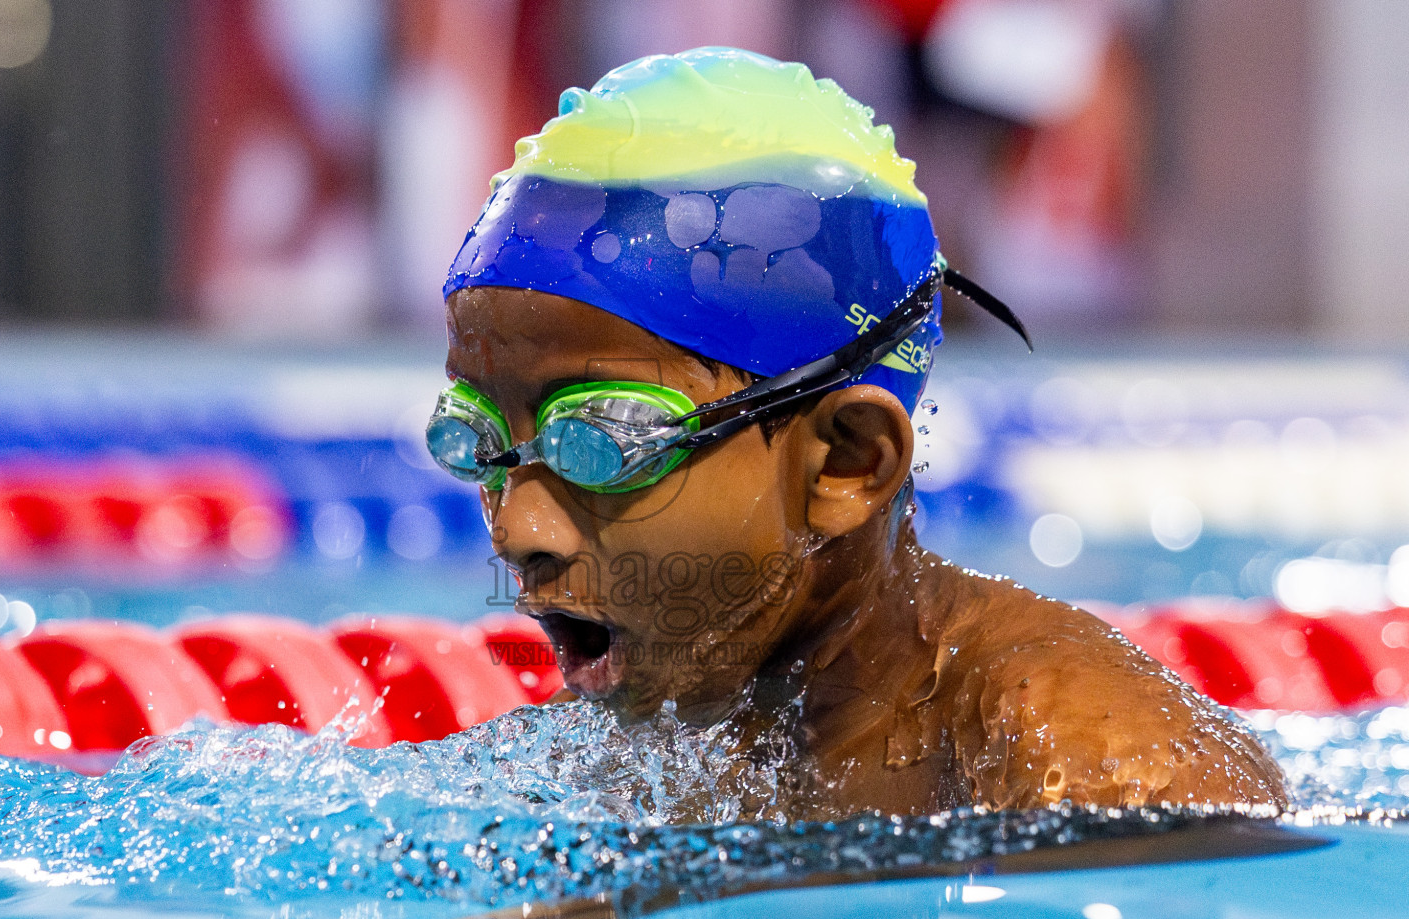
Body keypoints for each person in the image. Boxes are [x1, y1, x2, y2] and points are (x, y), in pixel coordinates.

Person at [426, 47, 1285, 816]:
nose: (516, 529)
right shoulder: (667, 725)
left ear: (846, 462)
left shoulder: (1093, 773)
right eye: (479, 442)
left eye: (602, 440)